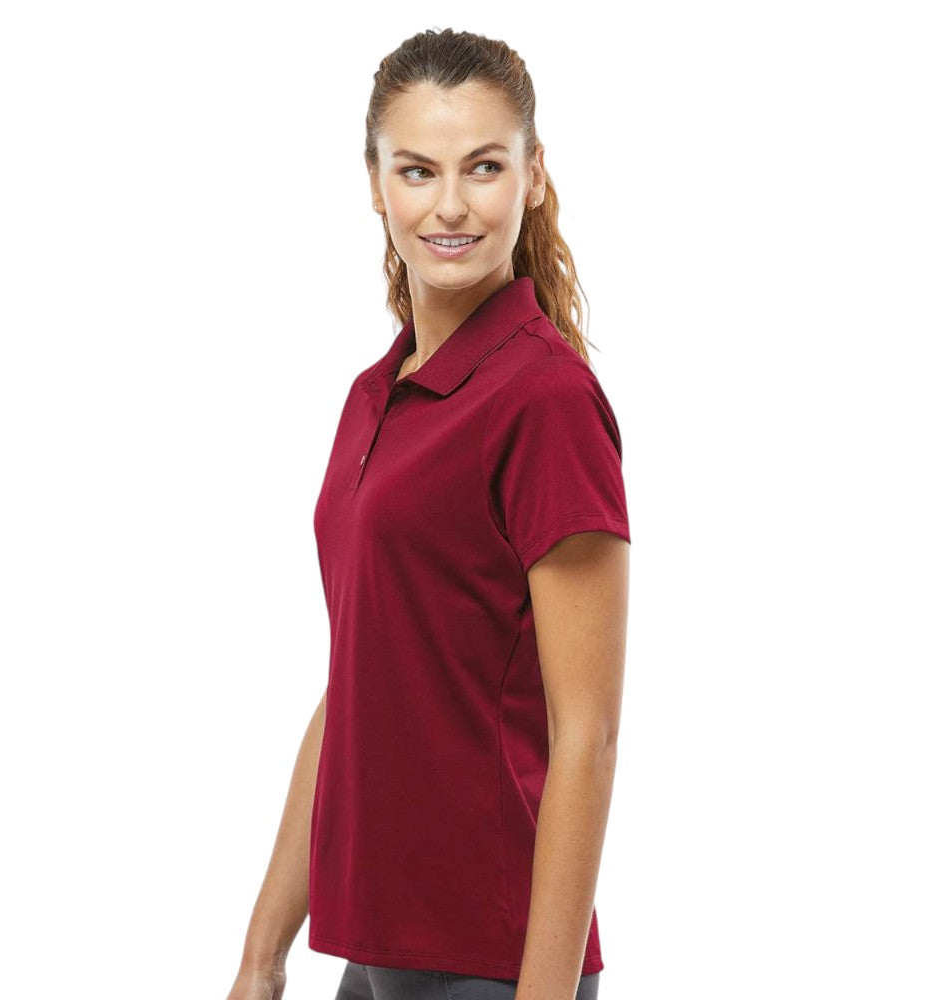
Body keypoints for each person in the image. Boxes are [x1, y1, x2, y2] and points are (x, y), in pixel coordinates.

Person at [226, 27, 631, 1000]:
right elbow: (355, 688)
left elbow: (587, 736)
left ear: (533, 176)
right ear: (376, 184)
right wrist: (261, 958)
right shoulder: (375, 394)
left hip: (493, 964)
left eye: (483, 166)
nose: (450, 205)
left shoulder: (544, 400)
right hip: (375, 950)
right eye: (417, 170)